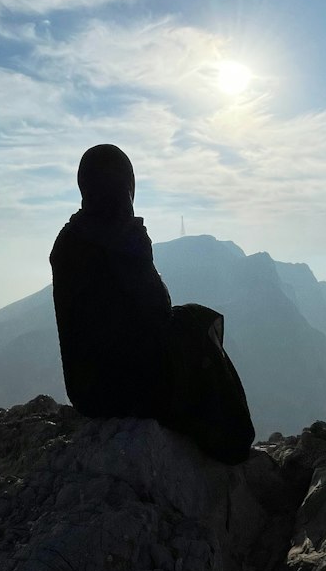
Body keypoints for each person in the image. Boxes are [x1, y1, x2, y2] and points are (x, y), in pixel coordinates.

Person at [50, 144, 254, 464]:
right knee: (196, 323)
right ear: (127, 186)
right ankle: (230, 437)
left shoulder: (66, 241)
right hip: (125, 390)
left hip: (86, 393)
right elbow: (157, 309)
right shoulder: (124, 237)